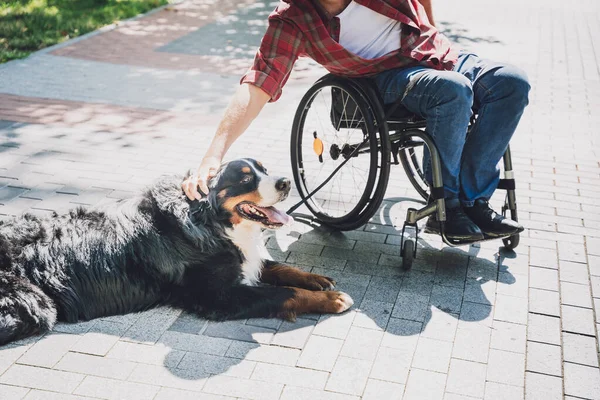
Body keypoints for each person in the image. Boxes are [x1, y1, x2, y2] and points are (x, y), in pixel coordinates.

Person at [182, 0, 530, 242]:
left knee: (512, 82)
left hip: (440, 55)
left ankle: (473, 201)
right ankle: (448, 205)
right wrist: (214, 154)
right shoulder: (294, 19)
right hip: (389, 78)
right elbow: (258, 84)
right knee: (453, 90)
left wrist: (432, 29)